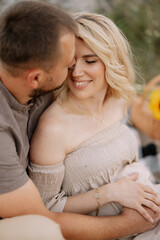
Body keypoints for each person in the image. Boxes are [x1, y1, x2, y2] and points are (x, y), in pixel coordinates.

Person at [0, 1, 159, 239]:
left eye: (90, 61)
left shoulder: (117, 99)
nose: (74, 71)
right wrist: (119, 208)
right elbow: (42, 213)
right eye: (69, 64)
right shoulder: (48, 127)